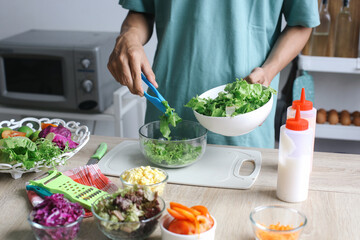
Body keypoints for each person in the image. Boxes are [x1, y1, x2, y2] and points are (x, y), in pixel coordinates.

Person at [108, 1, 320, 148]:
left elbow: (301, 22)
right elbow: (141, 10)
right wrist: (130, 36)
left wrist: (269, 70)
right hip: (169, 111)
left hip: (243, 122)